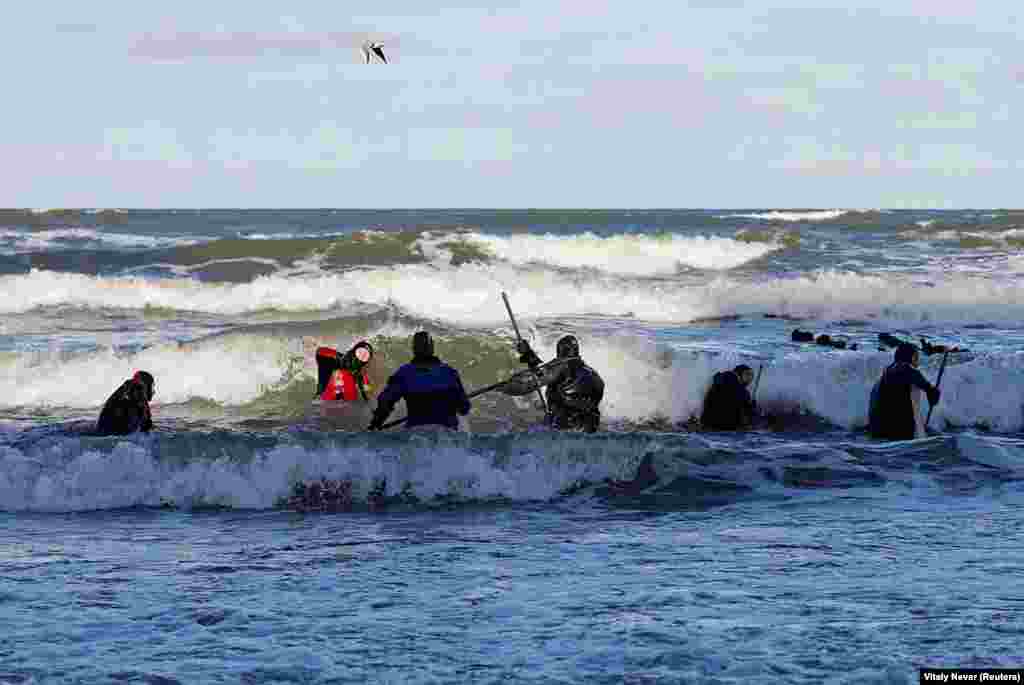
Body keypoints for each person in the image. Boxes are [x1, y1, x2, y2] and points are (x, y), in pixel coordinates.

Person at [367, 331, 471, 430]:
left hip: (417, 434)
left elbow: (385, 402)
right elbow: (464, 408)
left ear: (414, 349)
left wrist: (375, 424)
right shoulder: (449, 373)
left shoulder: (404, 373)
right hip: (446, 435)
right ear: (432, 349)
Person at [504, 335, 605, 433]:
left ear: (559, 353)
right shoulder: (595, 376)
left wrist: (501, 388)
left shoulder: (561, 366)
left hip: (564, 431)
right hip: (590, 429)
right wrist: (529, 355)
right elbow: (544, 373)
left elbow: (525, 385)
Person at [868, 343, 940, 441]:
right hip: (895, 432)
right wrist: (933, 393)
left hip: (876, 429)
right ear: (911, 356)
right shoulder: (907, 369)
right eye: (916, 356)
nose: (917, 360)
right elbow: (927, 387)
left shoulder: (886, 372)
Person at [96, 371, 155, 435]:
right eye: (152, 386)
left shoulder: (127, 392)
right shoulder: (136, 391)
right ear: (146, 386)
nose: (154, 391)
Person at [700, 364, 757, 431]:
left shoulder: (720, 382)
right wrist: (751, 405)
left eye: (752, 375)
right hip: (724, 428)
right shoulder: (739, 389)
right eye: (747, 374)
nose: (750, 378)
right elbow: (747, 411)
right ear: (738, 374)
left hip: (709, 424)